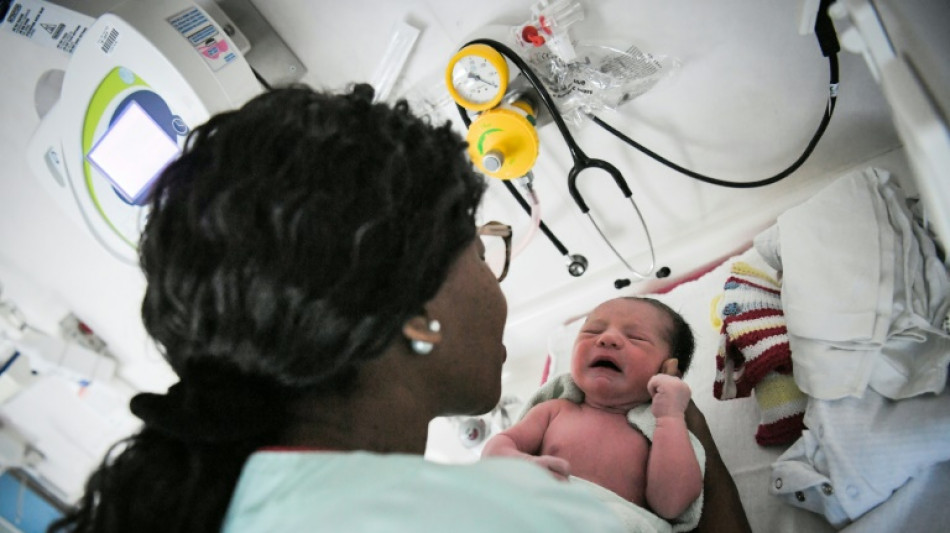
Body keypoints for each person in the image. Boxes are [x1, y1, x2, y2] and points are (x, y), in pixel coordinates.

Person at [49, 84, 750, 532]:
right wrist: (687, 422)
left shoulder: (244, 497)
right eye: (479, 252)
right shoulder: (504, 518)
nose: (495, 283)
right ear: (415, 309)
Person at [482, 297, 703, 521]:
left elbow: (672, 505)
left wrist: (670, 416)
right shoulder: (554, 411)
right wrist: (525, 465)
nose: (607, 338)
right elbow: (496, 451)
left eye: (636, 338)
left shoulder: (662, 433)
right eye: (593, 331)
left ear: (667, 372)